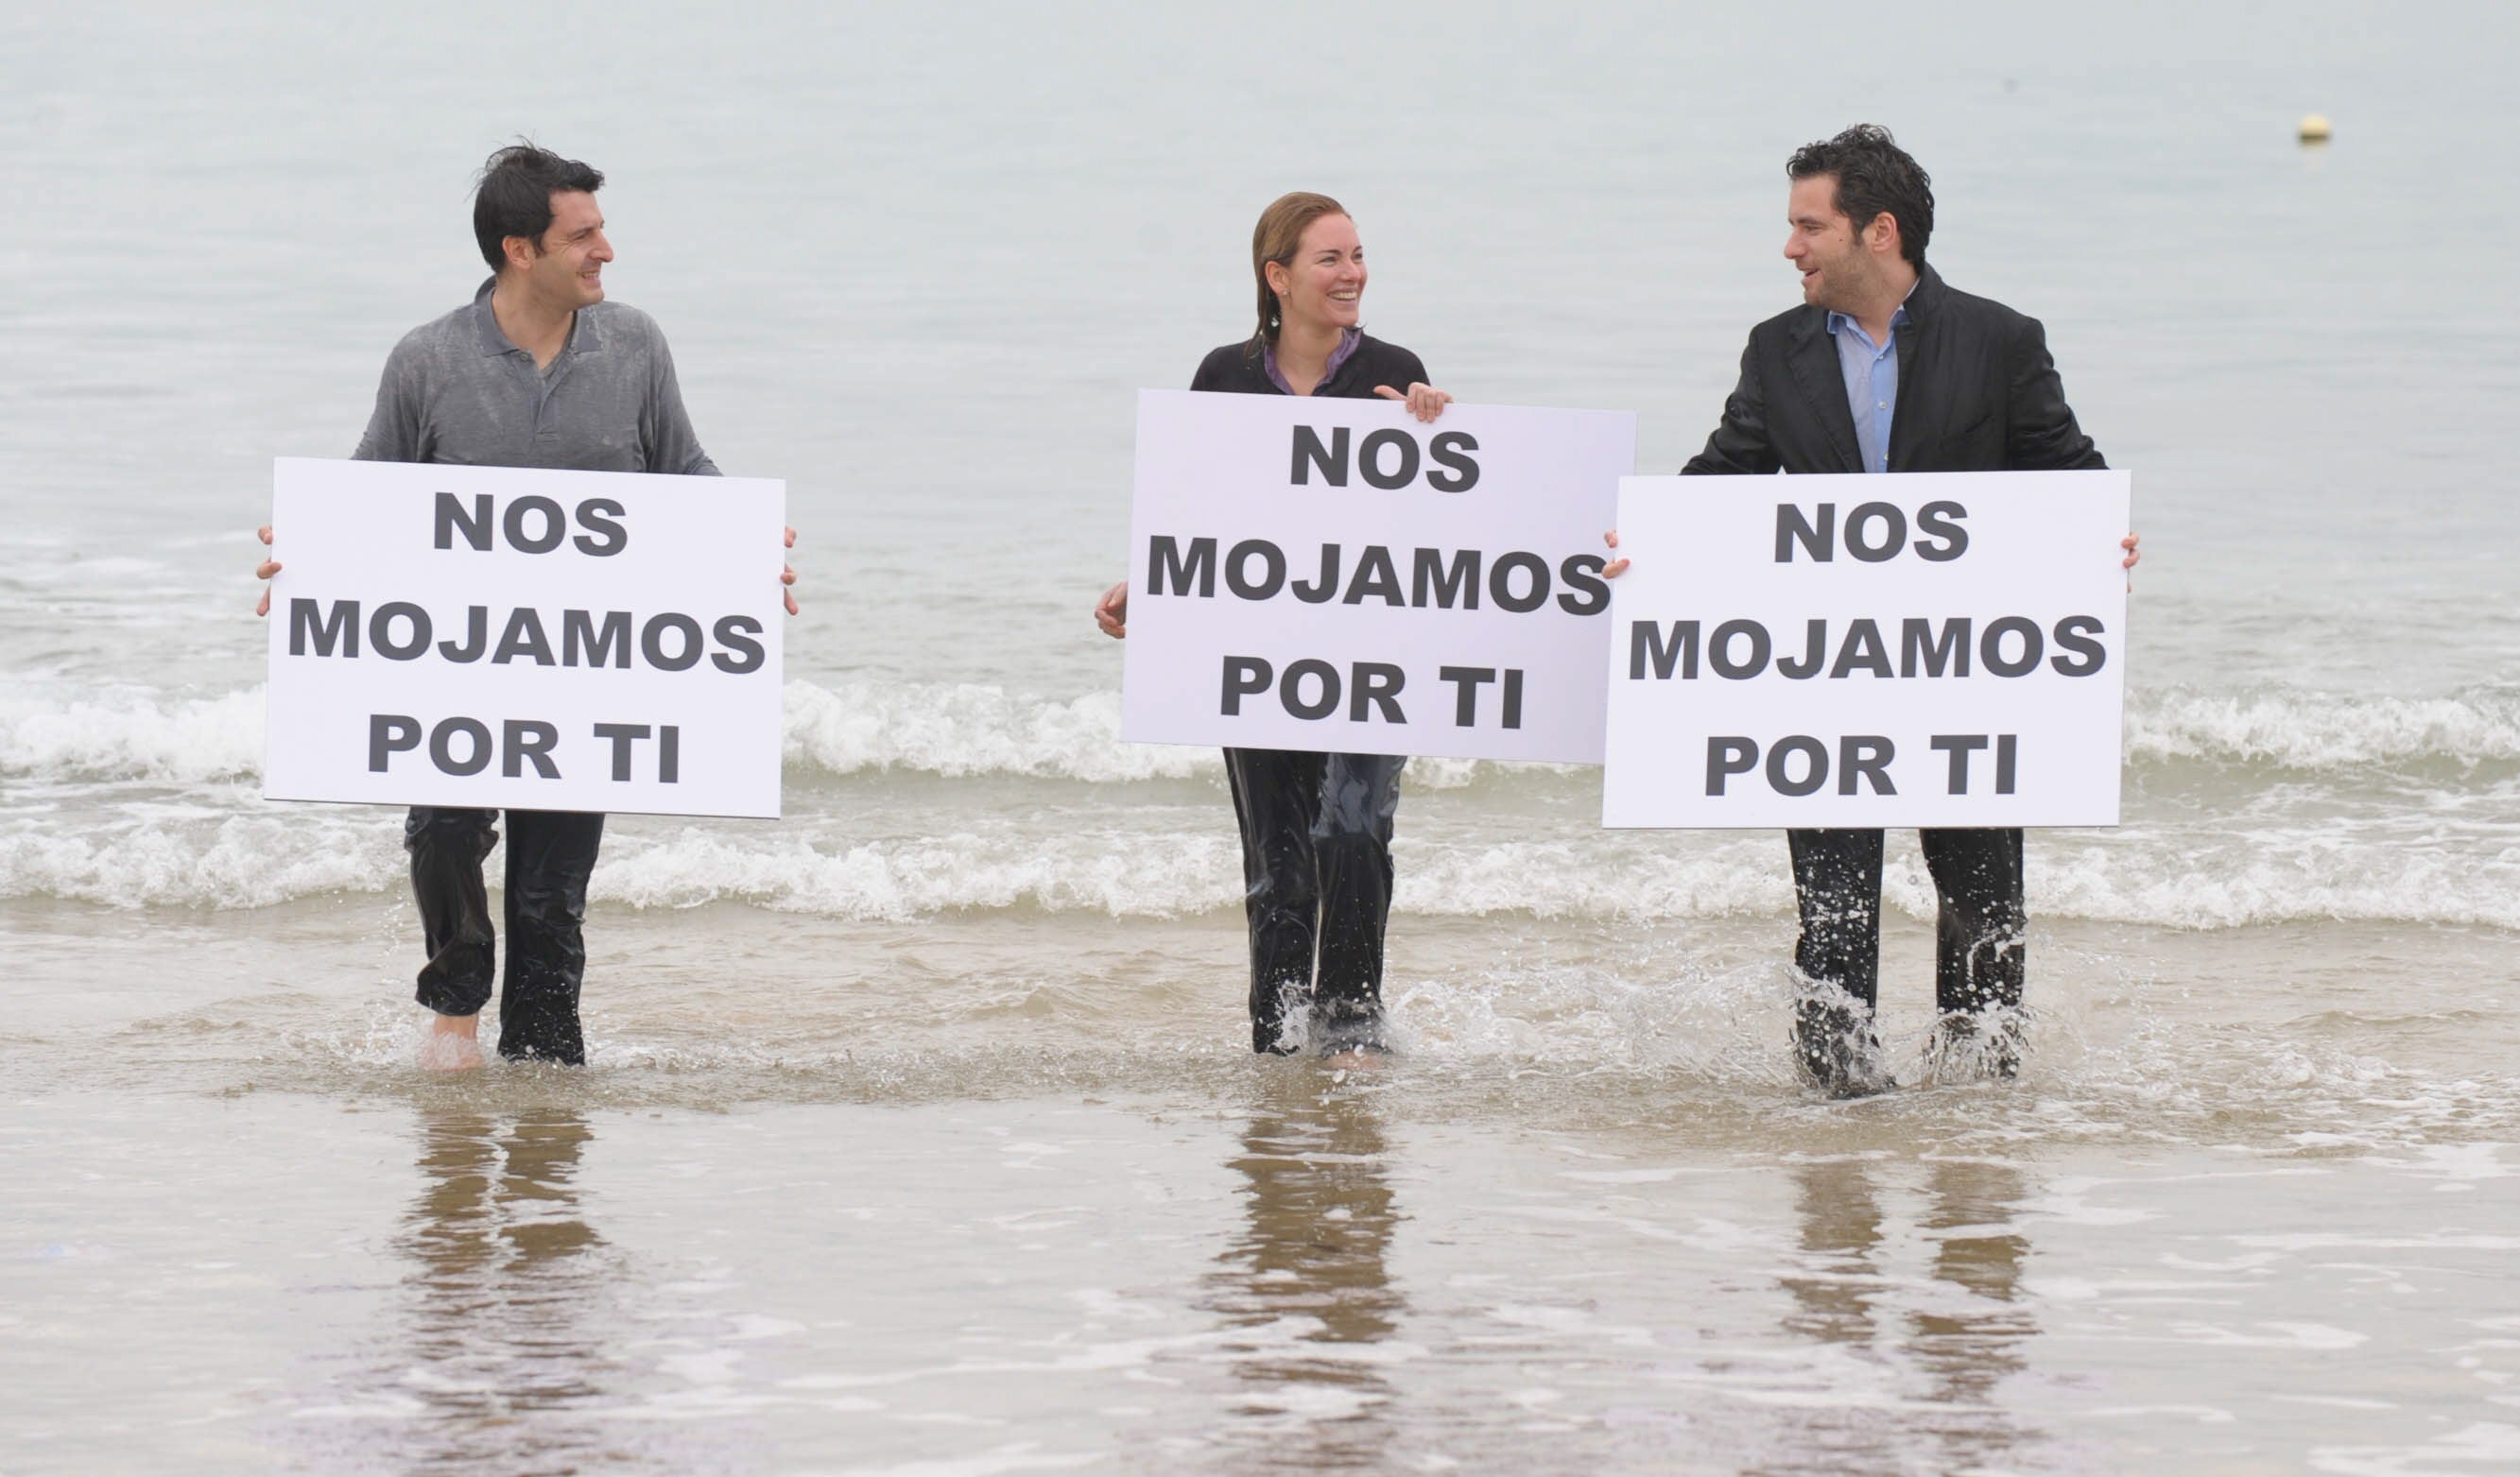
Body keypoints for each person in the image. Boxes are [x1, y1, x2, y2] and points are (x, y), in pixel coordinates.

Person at [1605, 125, 2139, 1096]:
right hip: (1829, 677)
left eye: (1808, 226)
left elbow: (2067, 477)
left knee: (1981, 900)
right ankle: (1838, 1116)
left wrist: (2103, 546)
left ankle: (1975, 1113)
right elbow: (1721, 480)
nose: (1789, 247)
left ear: (1877, 232)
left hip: (1961, 671)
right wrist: (1643, 548)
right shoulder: (1777, 350)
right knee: (1833, 907)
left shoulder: (1997, 340)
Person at [255, 143, 797, 1071]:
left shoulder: (634, 346)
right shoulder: (429, 360)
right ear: (520, 250)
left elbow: (686, 473)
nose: (606, 252)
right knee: (441, 830)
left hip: (581, 673)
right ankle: (457, 1007)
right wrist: (304, 559)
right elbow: (366, 494)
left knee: (550, 901)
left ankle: (547, 1089)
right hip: (457, 663)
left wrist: (747, 555)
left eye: (600, 231)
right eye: (583, 235)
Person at [1095, 191, 1453, 1059]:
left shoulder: (1395, 369)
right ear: (1278, 276)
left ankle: (1353, 1028)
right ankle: (1279, 1043)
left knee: (1353, 830)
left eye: (1359, 255)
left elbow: (1439, 522)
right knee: (1280, 866)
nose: (1353, 273)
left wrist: (1442, 426)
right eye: (1330, 259)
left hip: (1369, 649)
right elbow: (1201, 513)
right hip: (1255, 650)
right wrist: (1150, 587)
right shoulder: (1224, 374)